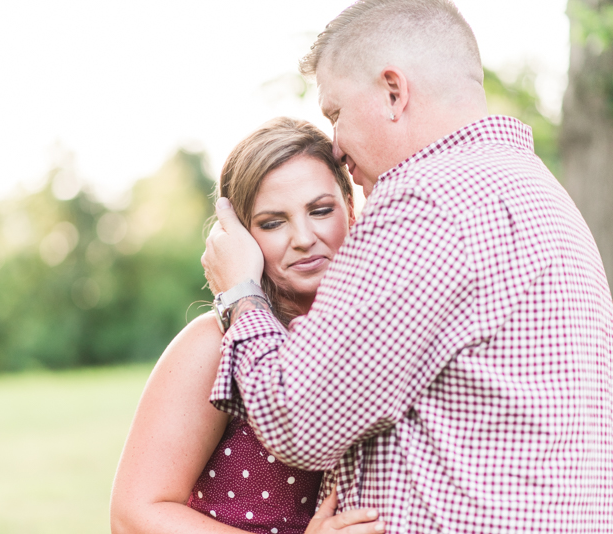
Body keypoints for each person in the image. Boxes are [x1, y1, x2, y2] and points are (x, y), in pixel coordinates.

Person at [201, 1, 613, 533]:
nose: (336, 146)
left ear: (393, 92)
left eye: (335, 114)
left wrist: (240, 294)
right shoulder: (541, 194)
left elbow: (298, 417)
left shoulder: (427, 201)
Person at [110, 117, 384, 534]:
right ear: (237, 237)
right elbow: (133, 514)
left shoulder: (382, 328)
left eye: (321, 210)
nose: (304, 237)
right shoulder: (213, 344)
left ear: (350, 208)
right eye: (273, 222)